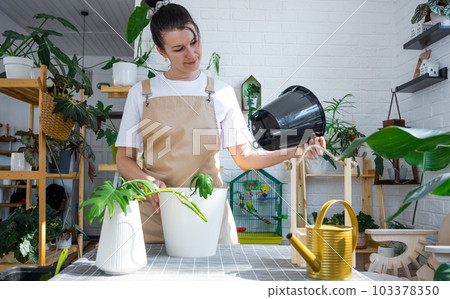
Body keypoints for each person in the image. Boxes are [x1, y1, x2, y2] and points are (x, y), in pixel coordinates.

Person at [115, 0, 325, 244]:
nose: (191, 54)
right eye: (178, 49)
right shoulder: (142, 94)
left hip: (208, 212)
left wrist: (295, 150)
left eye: (194, 42)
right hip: (154, 214)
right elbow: (124, 159)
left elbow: (245, 157)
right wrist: (147, 182)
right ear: (162, 51)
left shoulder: (221, 94)